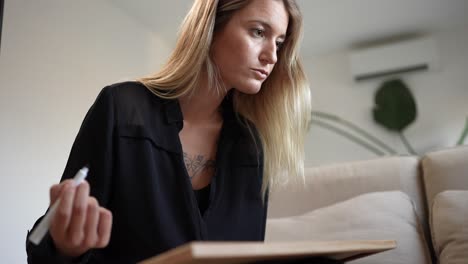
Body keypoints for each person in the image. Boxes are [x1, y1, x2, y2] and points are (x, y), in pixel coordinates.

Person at [26, 0, 319, 263]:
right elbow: (47, 245)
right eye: (258, 32)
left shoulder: (252, 146)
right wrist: (66, 249)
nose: (272, 56)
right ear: (210, 27)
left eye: (279, 43)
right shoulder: (122, 108)